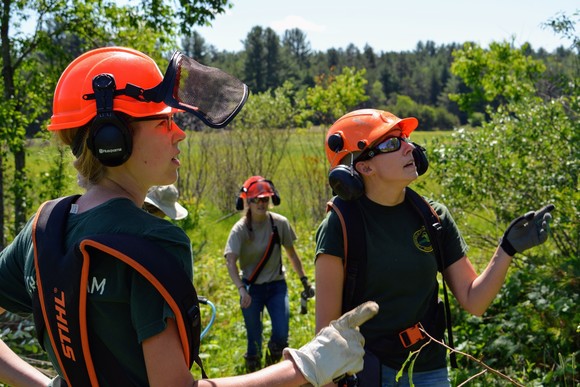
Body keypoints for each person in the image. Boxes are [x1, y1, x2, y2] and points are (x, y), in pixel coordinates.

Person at [0, 46, 379, 387]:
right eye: (163, 121)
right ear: (112, 138)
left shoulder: (44, 227)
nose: (179, 134)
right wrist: (306, 365)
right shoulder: (152, 242)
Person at [314, 109, 554, 387]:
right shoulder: (340, 225)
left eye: (404, 139)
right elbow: (325, 335)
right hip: (366, 370)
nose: (409, 148)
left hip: (429, 367)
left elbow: (474, 301)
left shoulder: (432, 216)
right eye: (392, 143)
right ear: (364, 167)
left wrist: (507, 248)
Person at [224, 176, 315, 372]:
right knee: (254, 339)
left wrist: (304, 281)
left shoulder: (279, 223)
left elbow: (292, 254)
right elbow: (230, 261)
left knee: (281, 334)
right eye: (257, 199)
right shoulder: (240, 229)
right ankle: (252, 374)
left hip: (276, 286)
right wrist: (241, 289)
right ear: (247, 201)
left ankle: (270, 370)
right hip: (251, 290)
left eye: (265, 199)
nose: (262, 203)